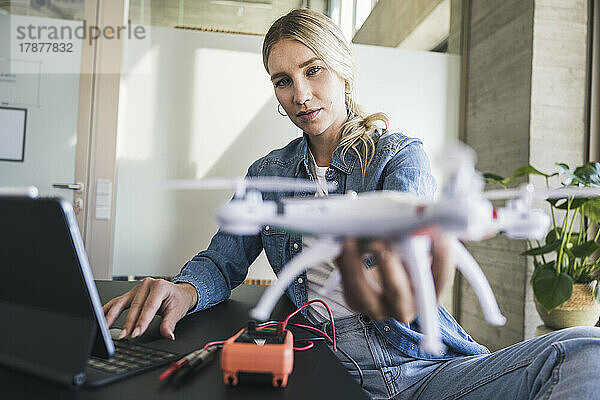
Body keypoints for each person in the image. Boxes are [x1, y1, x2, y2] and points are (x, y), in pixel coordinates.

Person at [103, 9, 600, 400]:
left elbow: (410, 263)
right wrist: (185, 288)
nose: (301, 94)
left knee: (584, 351)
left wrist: (404, 279)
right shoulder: (268, 175)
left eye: (312, 70)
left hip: (416, 372)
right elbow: (222, 260)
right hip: (317, 368)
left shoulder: (398, 156)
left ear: (342, 71)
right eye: (283, 80)